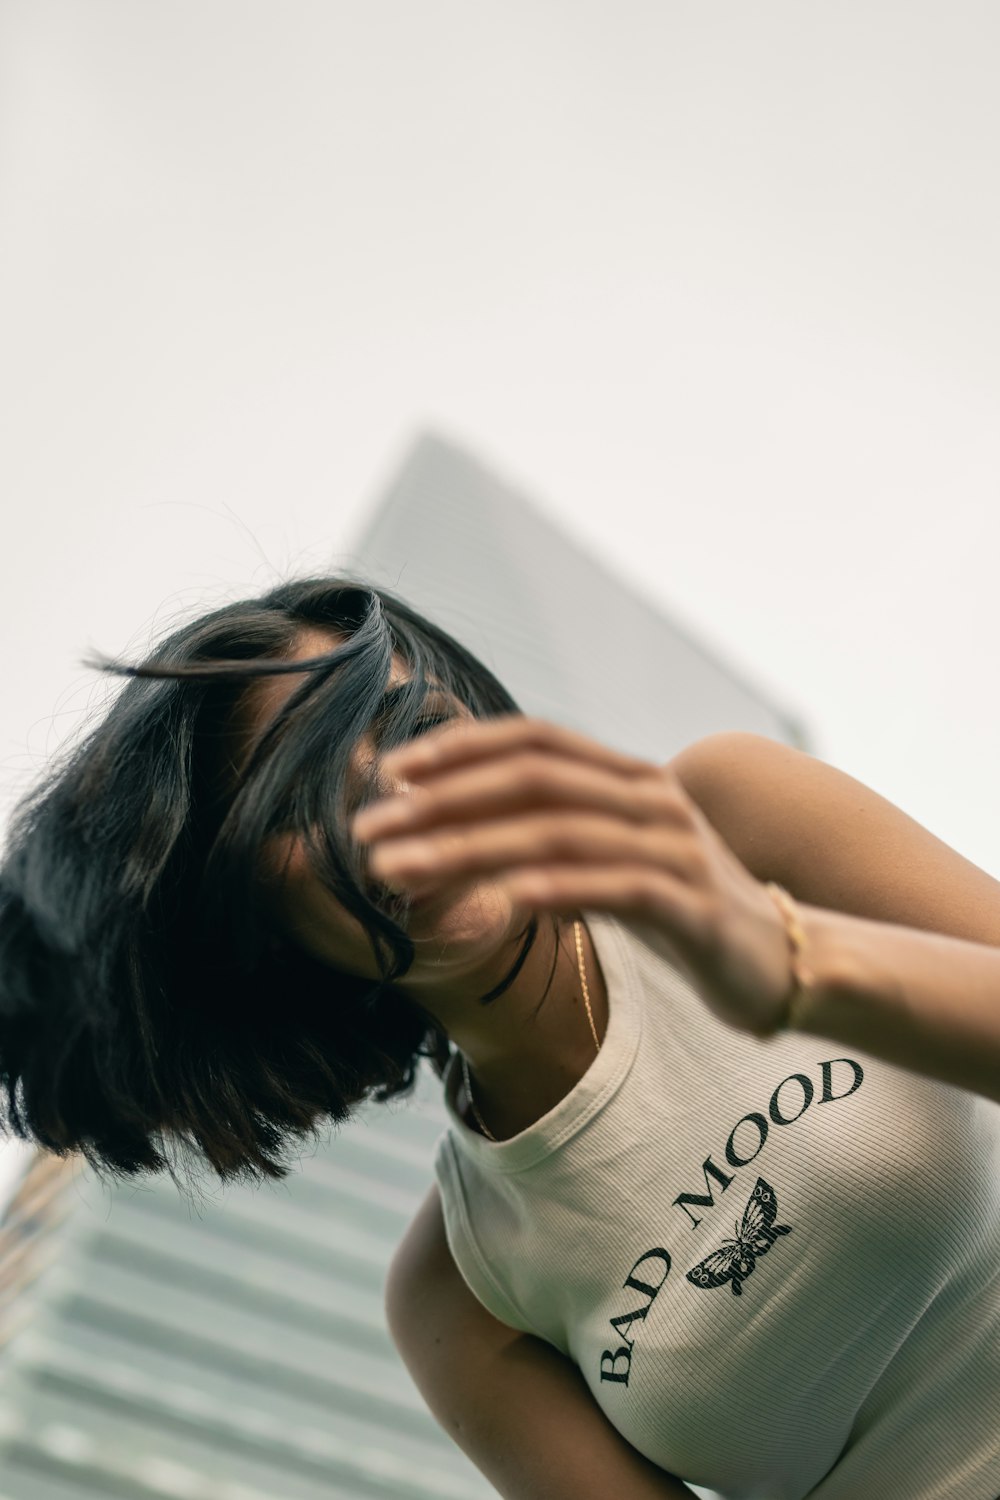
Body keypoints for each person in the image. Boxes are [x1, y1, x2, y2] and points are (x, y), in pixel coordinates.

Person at [1, 575, 998, 1499]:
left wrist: (790, 967)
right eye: (302, 797)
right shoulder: (458, 1296)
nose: (397, 800)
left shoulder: (733, 818)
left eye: (415, 732)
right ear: (253, 925)